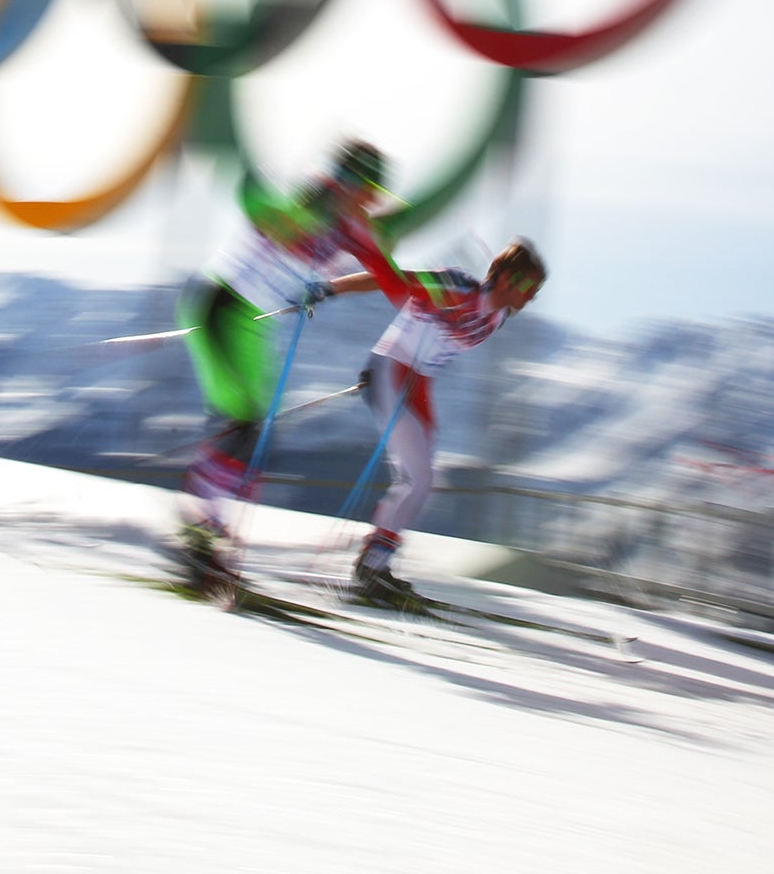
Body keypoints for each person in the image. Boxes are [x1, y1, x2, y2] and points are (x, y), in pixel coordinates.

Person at [174, 140, 413, 591]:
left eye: (374, 196)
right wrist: (283, 220)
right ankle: (199, 528)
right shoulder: (305, 201)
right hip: (222, 304)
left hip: (253, 323)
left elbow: (387, 275)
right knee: (241, 423)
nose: (370, 202)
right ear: (347, 184)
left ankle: (208, 527)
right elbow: (251, 193)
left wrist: (340, 288)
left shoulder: (350, 228)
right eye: (366, 191)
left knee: (254, 429)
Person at [352, 241, 547, 609]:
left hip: (418, 383)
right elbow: (388, 278)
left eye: (536, 292)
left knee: (422, 480)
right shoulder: (456, 287)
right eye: (528, 287)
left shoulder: (498, 315)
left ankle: (375, 564)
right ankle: (371, 569)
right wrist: (327, 289)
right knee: (418, 478)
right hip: (392, 371)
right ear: (505, 278)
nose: (532, 297)